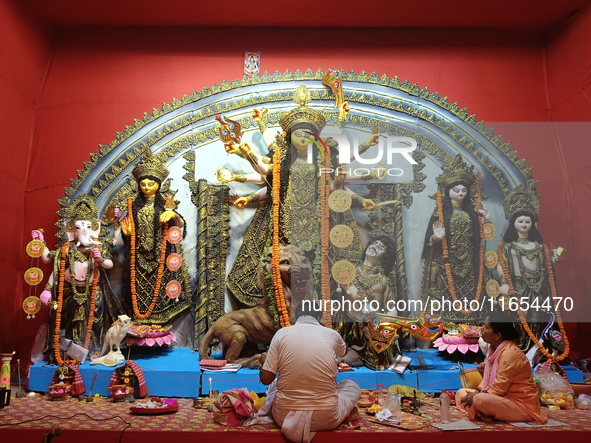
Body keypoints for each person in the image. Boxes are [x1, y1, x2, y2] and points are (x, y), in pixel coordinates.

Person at [221, 84, 379, 308]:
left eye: (308, 135)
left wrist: (357, 162)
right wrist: (247, 154)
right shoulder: (281, 160)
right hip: (283, 225)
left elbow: (337, 183)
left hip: (320, 226)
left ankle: (317, 309)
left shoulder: (325, 161)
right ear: (290, 136)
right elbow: (264, 173)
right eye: (298, 134)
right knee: (279, 270)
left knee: (321, 270)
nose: (303, 139)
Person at [31, 194, 124, 361]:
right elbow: (52, 263)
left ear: (94, 229)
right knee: (68, 323)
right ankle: (66, 354)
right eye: (79, 227)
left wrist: (99, 258)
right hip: (68, 293)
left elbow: (109, 264)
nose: (84, 231)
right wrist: (41, 243)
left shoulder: (97, 247)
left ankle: (89, 352)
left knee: (92, 324)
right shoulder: (67, 249)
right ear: (71, 231)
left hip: (91, 292)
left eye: (88, 227)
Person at [259, 301, 361, 442]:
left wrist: (263, 363)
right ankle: (344, 413)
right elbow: (343, 351)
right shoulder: (331, 334)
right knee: (351, 386)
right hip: (327, 418)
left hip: (284, 416)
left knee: (275, 385)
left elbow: (265, 379)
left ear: (295, 316)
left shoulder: (281, 334)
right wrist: (326, 326)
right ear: (319, 316)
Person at [113, 148, 191, 325]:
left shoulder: (165, 206)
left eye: (151, 184)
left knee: (160, 290)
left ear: (158, 184)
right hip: (138, 259)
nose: (147, 187)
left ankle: (159, 323)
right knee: (137, 292)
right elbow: (124, 235)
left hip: (160, 258)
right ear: (138, 185)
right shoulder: (133, 208)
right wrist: (127, 235)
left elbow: (180, 228)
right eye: (143, 184)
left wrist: (174, 216)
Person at [421, 154, 491, 323]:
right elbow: (429, 242)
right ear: (448, 191)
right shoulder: (440, 212)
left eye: (464, 190)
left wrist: (487, 221)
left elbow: (483, 239)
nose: (461, 193)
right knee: (447, 299)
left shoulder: (473, 213)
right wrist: (437, 238)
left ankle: (471, 327)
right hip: (447, 263)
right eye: (456, 190)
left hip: (469, 263)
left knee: (471, 297)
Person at [497, 185, 565, 351]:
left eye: (528, 221)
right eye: (520, 221)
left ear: (532, 224)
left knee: (539, 322)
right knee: (519, 323)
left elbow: (546, 265)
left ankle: (538, 352)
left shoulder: (540, 247)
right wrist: (503, 283)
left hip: (539, 291)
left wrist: (555, 259)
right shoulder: (508, 247)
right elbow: (502, 265)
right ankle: (518, 351)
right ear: (513, 224)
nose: (524, 224)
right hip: (518, 290)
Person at [455, 311, 547, 423]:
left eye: (486, 327)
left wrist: (475, 396)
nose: (482, 329)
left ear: (498, 335)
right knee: (461, 393)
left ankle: (485, 411)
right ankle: (486, 412)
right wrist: (477, 391)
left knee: (479, 399)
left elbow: (499, 387)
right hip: (502, 399)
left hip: (520, 405)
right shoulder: (494, 350)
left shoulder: (509, 353)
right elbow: (488, 382)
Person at [334, 236, 399, 370]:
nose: (374, 247)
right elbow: (350, 289)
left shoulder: (383, 281)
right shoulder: (350, 271)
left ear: (384, 257)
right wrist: (364, 304)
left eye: (380, 247)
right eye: (374, 243)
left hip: (372, 328)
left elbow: (392, 307)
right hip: (351, 327)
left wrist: (386, 327)